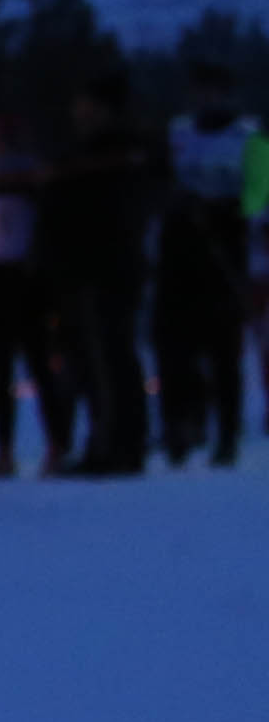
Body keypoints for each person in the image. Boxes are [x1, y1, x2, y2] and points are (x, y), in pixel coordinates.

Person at [42, 71, 160, 477]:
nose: (78, 111)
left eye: (85, 102)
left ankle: (116, 446)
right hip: (90, 270)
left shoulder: (116, 157)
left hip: (103, 269)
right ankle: (111, 441)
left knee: (108, 358)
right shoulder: (91, 155)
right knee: (101, 360)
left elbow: (99, 214)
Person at [158, 77, 252, 467]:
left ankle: (226, 435)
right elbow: (161, 182)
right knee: (175, 349)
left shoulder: (250, 137)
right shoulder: (177, 133)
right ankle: (181, 426)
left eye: (212, 91)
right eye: (199, 90)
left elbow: (259, 195)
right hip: (180, 254)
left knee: (224, 352)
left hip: (225, 253)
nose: (205, 98)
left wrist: (225, 212)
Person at [0, 108, 60, 479]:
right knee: (1, 370)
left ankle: (55, 443)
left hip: (22, 274)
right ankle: (4, 449)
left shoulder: (27, 177)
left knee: (38, 364)